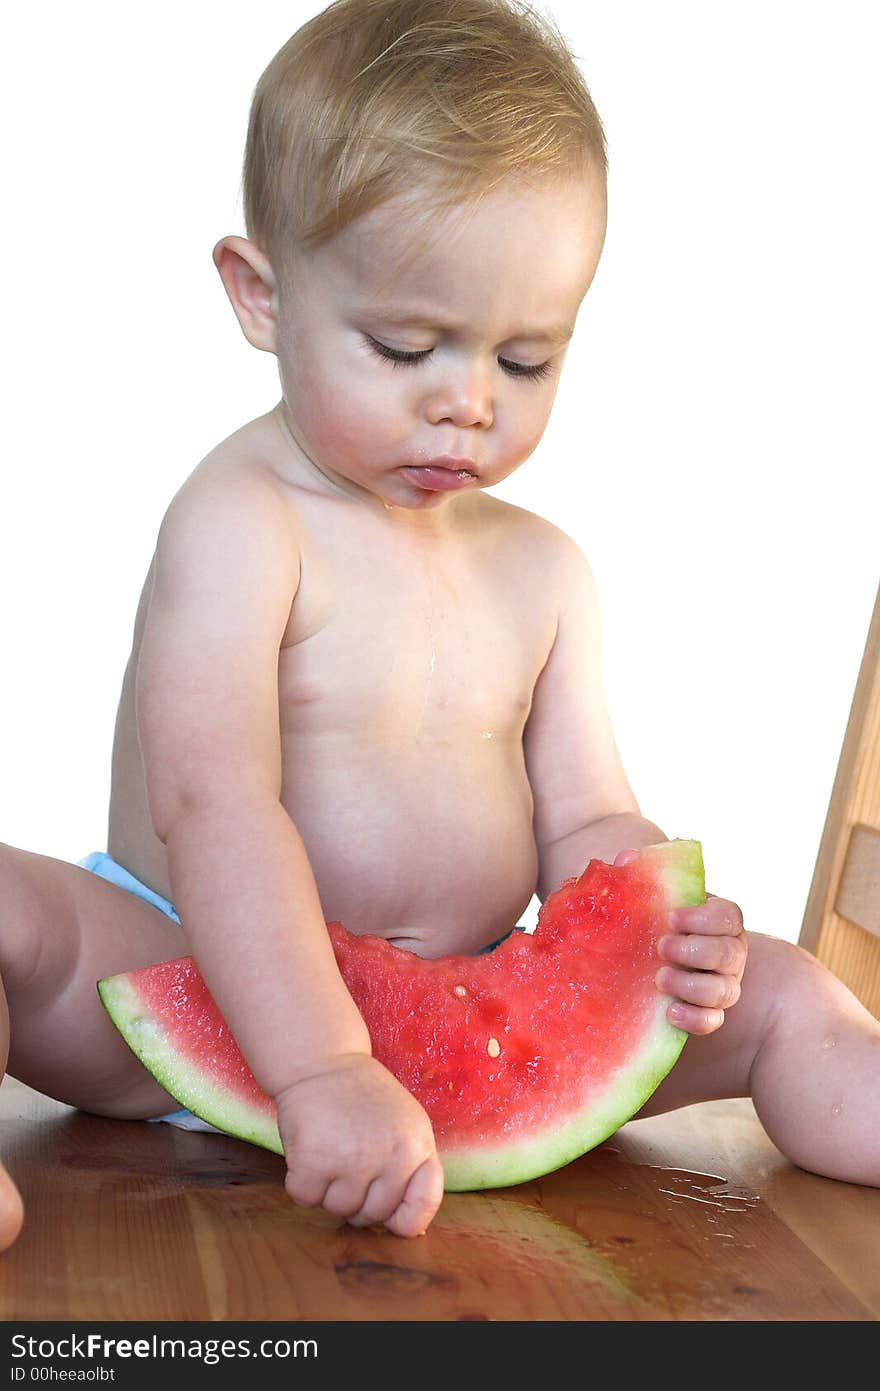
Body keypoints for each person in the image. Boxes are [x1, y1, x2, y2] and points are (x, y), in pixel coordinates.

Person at [1, 0, 877, 1250]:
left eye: (525, 361)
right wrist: (319, 1068)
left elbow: (586, 818)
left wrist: (662, 933)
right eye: (406, 345)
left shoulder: (548, 571)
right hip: (182, 968)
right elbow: (215, 809)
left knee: (794, 993)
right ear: (261, 296)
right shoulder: (242, 521)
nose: (466, 403)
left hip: (482, 1007)